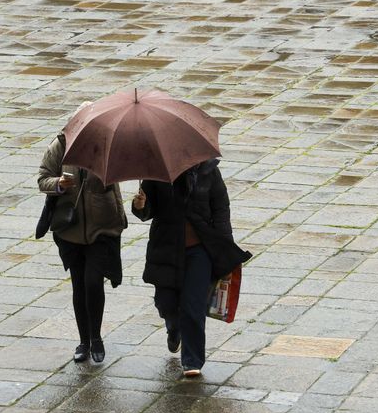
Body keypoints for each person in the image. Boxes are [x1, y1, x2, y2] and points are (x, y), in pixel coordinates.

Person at [132, 159, 251, 377]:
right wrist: (140, 206)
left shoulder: (209, 171)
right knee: (165, 303)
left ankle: (192, 360)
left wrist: (224, 250)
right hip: (166, 247)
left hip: (200, 249)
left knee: (193, 305)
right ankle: (173, 328)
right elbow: (147, 211)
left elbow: (221, 210)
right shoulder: (157, 172)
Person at [38, 132, 127, 363]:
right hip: (71, 229)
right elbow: (43, 179)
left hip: (102, 228)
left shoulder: (106, 144)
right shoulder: (61, 144)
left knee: (93, 283)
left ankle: (96, 337)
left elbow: (118, 179)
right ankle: (83, 341)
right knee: (79, 285)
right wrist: (58, 184)